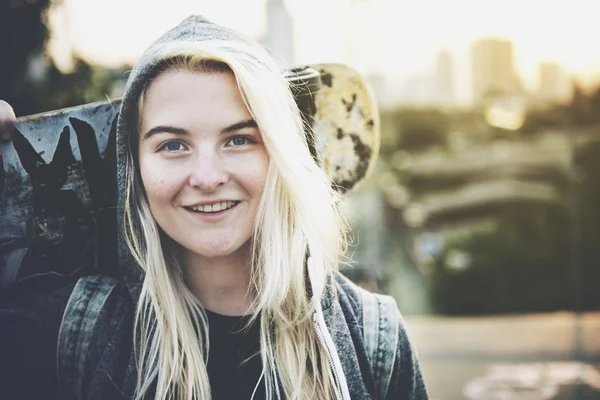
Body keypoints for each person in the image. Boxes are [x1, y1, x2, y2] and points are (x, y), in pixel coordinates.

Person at [0, 15, 428, 400]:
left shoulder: (375, 339)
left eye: (239, 139)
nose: (207, 176)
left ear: (279, 153)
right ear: (135, 169)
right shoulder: (65, 332)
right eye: (172, 145)